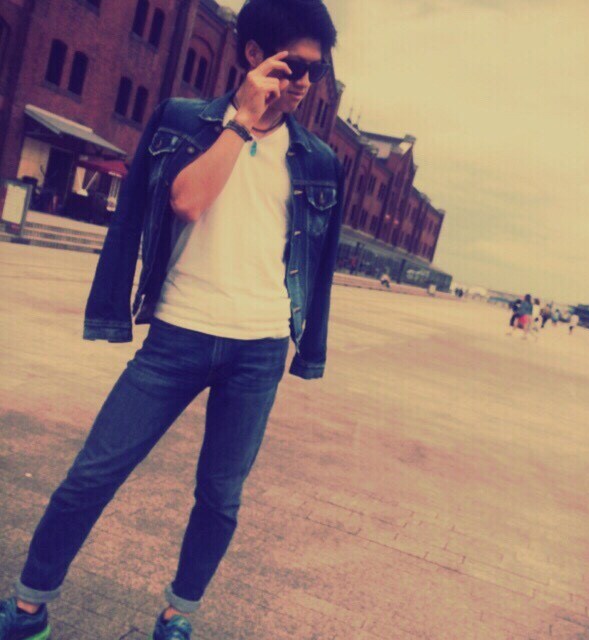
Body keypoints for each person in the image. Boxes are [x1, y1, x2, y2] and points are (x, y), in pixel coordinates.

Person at [0, 2, 341, 640]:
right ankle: (27, 607)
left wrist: (308, 349)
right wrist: (241, 123)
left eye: (314, 73)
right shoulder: (182, 121)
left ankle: (178, 615)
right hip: (178, 333)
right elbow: (185, 202)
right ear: (252, 54)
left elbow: (316, 271)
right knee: (92, 474)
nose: (302, 83)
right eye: (292, 66)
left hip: (259, 349)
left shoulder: (319, 160)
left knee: (220, 497)